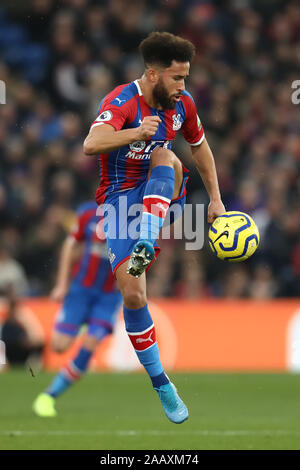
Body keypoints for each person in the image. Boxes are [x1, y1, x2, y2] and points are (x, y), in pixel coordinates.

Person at [83, 32, 225, 424]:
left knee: (167, 154)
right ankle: (162, 382)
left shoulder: (183, 105)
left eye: (186, 78)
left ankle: (149, 235)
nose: (183, 86)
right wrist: (135, 132)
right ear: (153, 74)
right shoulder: (121, 101)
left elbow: (199, 147)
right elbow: (91, 144)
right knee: (132, 294)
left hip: (162, 188)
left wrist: (215, 199)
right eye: (177, 78)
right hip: (117, 203)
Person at [33, 201, 122, 417]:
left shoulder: (132, 220)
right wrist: (62, 284)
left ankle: (48, 396)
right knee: (59, 346)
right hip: (81, 289)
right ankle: (83, 324)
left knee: (90, 345)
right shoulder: (87, 213)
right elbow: (69, 245)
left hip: (109, 296)